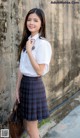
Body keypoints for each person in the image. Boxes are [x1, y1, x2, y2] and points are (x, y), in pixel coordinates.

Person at [15, 8, 52, 138]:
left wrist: (30, 51)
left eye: (35, 20)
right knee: (26, 125)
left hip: (34, 86)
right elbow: (21, 67)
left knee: (32, 128)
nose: (31, 23)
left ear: (41, 23)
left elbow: (40, 71)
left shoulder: (43, 44)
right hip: (24, 84)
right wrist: (17, 89)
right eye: (29, 20)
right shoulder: (27, 41)